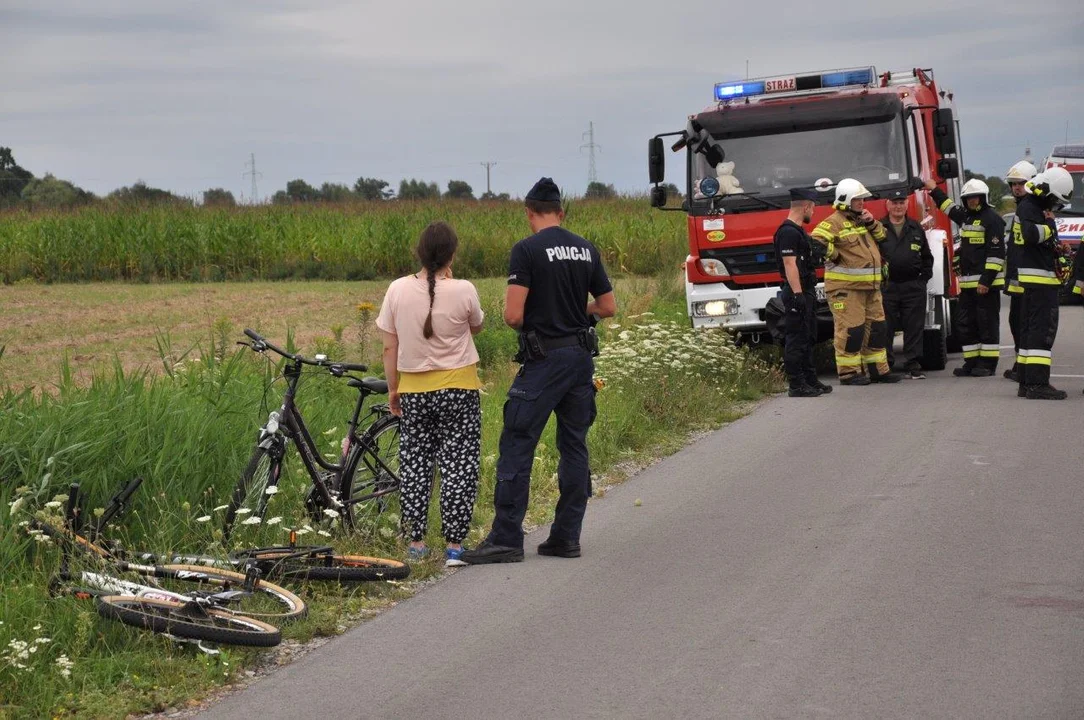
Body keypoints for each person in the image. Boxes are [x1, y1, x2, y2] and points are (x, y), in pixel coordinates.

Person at [463, 178, 616, 564]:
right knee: (574, 445)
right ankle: (566, 538)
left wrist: (541, 319)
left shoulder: (526, 250)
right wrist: (577, 314)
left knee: (517, 442)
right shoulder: (586, 249)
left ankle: (507, 539)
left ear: (529, 212)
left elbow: (514, 316)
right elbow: (607, 306)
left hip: (543, 360)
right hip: (580, 360)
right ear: (561, 213)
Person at [376, 221, 485, 567]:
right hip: (459, 390)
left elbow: (389, 347)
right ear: (452, 254)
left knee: (416, 464)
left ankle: (416, 543)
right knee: (459, 465)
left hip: (414, 391)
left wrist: (394, 389)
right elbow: (477, 325)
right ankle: (454, 546)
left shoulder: (396, 290)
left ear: (419, 253)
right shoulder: (465, 289)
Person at [810, 178, 903, 385]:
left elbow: (882, 237)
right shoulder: (832, 222)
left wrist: (870, 221)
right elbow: (815, 243)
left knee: (877, 329)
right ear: (845, 201)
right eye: (857, 200)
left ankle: (878, 370)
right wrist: (835, 255)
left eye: (862, 199)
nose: (862, 203)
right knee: (851, 331)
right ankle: (849, 373)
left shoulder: (862, 219)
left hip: (870, 287)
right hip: (846, 289)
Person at [926, 178, 1006, 377]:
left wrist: (985, 281)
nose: (972, 201)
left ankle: (987, 364)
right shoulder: (967, 217)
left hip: (985, 285)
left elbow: (996, 254)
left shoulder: (993, 219)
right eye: (968, 198)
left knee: (986, 324)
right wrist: (934, 189)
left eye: (975, 197)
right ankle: (971, 362)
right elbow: (948, 207)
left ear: (983, 198)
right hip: (968, 285)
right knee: (966, 324)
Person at [1012, 167, 1074, 399]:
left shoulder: (1030, 205)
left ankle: (1027, 383)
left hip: (1034, 279)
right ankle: (1037, 384)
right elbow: (1031, 235)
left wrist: (1057, 246)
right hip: (1040, 280)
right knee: (1041, 332)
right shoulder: (1031, 207)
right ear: (1048, 193)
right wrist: (1051, 225)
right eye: (1055, 202)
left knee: (1030, 333)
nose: (1055, 208)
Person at [773, 187, 831, 397]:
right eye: (813, 208)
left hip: (806, 289)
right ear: (806, 206)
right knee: (796, 339)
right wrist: (797, 294)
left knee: (808, 337)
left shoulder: (798, 231)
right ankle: (796, 384)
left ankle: (810, 379)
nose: (813, 212)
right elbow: (790, 264)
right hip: (797, 291)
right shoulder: (788, 232)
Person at [879, 189, 934, 379]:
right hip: (887, 287)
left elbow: (927, 257)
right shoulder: (879, 227)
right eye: (894, 202)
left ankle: (913, 363)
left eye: (901, 202)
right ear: (888, 205)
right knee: (885, 326)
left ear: (907, 204)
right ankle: (887, 363)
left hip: (913, 286)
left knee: (914, 326)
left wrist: (923, 280)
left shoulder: (915, 227)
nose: (898, 206)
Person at [1001, 160, 1038, 382]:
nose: (1016, 187)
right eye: (1013, 184)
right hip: (1017, 276)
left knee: (1024, 323)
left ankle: (1023, 368)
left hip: (1027, 277)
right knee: (1016, 322)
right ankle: (1019, 364)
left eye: (1021, 183)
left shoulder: (1029, 207)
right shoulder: (1022, 207)